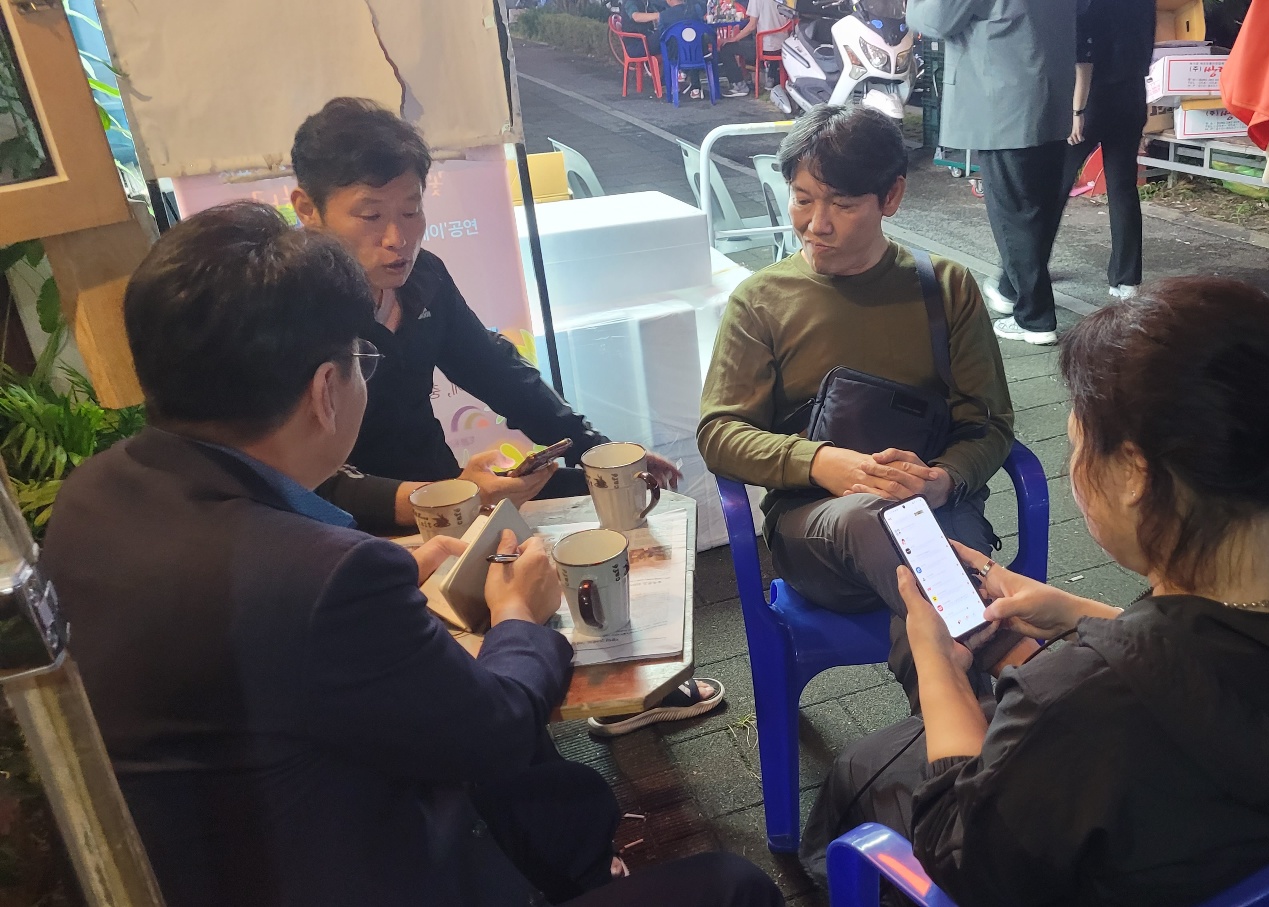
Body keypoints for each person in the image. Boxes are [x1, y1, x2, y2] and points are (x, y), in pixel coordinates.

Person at [40, 201, 785, 907]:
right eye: (361, 359)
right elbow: (492, 733)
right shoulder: (323, 579)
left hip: (199, 867)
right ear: (326, 390)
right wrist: (517, 615)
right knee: (731, 884)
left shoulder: (92, 497)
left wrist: (392, 584)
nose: (396, 235)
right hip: (362, 868)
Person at [801, 277, 1269, 906]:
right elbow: (1239, 683)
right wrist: (1088, 618)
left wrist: (936, 661)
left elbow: (955, 847)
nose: (1074, 472)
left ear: (1134, 473)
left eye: (1077, 448)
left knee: (861, 772)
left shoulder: (1077, 706)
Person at [291, 98, 720, 732]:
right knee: (468, 626)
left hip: (447, 490)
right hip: (347, 527)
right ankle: (507, 711)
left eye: (411, 210)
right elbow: (304, 482)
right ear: (307, 209)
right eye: (370, 215)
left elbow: (497, 372)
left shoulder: (424, 279)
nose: (397, 238)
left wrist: (595, 451)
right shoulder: (294, 313)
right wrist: (441, 497)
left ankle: (618, 684)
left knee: (605, 501)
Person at [698, 106, 1023, 711]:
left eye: (843, 205)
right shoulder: (761, 302)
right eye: (802, 200)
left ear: (890, 197)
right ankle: (1013, 667)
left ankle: (957, 740)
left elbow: (989, 424)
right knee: (878, 519)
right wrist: (823, 463)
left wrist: (943, 479)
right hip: (819, 531)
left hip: (938, 513)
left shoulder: (946, 288)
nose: (816, 225)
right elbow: (720, 432)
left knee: (920, 567)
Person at [908, 0, 1078, 346]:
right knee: (1039, 208)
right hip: (1053, 92)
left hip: (1005, 98)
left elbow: (936, 19)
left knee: (1014, 214)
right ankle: (1009, 288)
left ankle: (1035, 318)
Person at [1069, 0, 1154, 298]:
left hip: (1091, 95)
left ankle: (1028, 272)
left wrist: (1077, 110)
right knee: (1123, 188)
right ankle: (1127, 279)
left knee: (1053, 186)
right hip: (1132, 94)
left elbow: (1084, 52)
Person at [716, 0, 788, 97]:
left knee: (726, 48)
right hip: (784, 44)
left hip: (766, 47)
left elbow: (752, 26)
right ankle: (771, 79)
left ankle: (739, 85)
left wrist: (734, 38)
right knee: (755, 41)